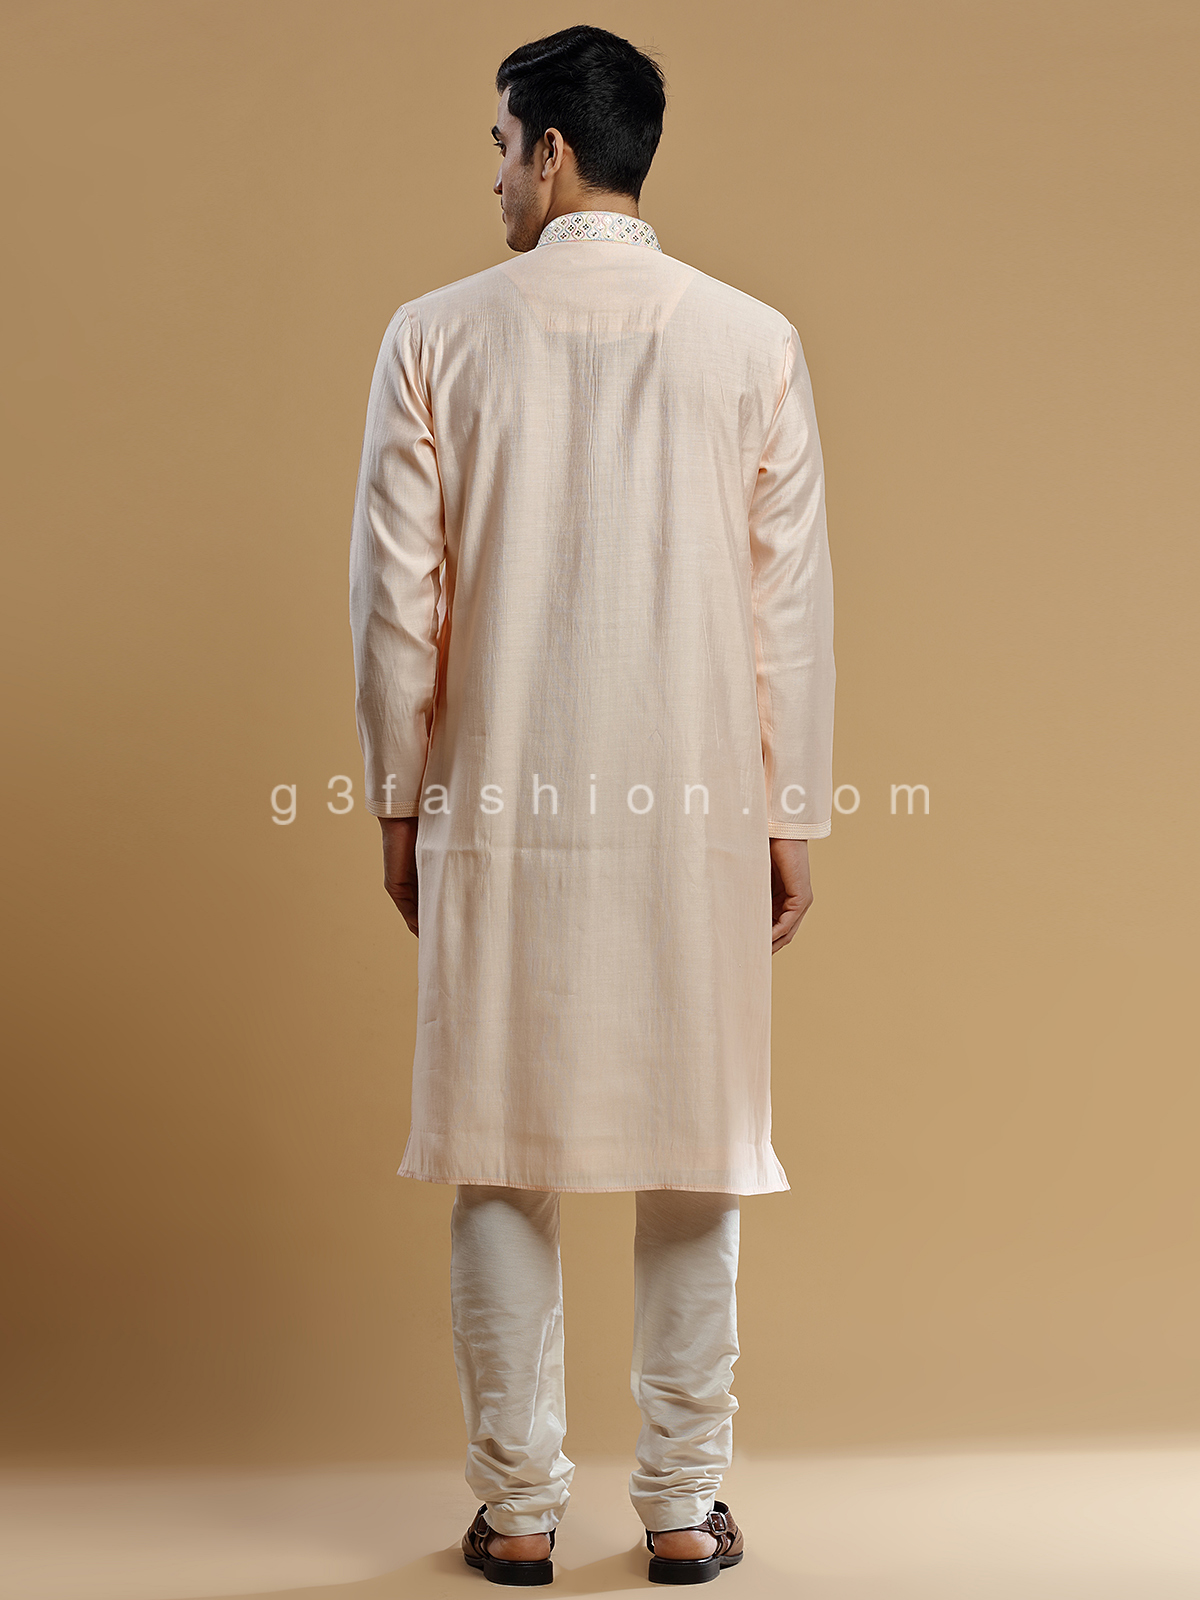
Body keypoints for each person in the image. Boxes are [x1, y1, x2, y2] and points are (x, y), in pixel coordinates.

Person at [349, 24, 835, 1587]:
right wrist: (792, 813)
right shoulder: (752, 339)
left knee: (502, 1147)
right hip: (697, 804)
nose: (495, 176)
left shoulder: (435, 335)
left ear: (551, 152)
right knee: (698, 1149)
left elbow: (395, 602)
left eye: (501, 146)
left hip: (501, 804)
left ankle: (518, 1511)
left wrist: (398, 801)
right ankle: (683, 1508)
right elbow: (787, 610)